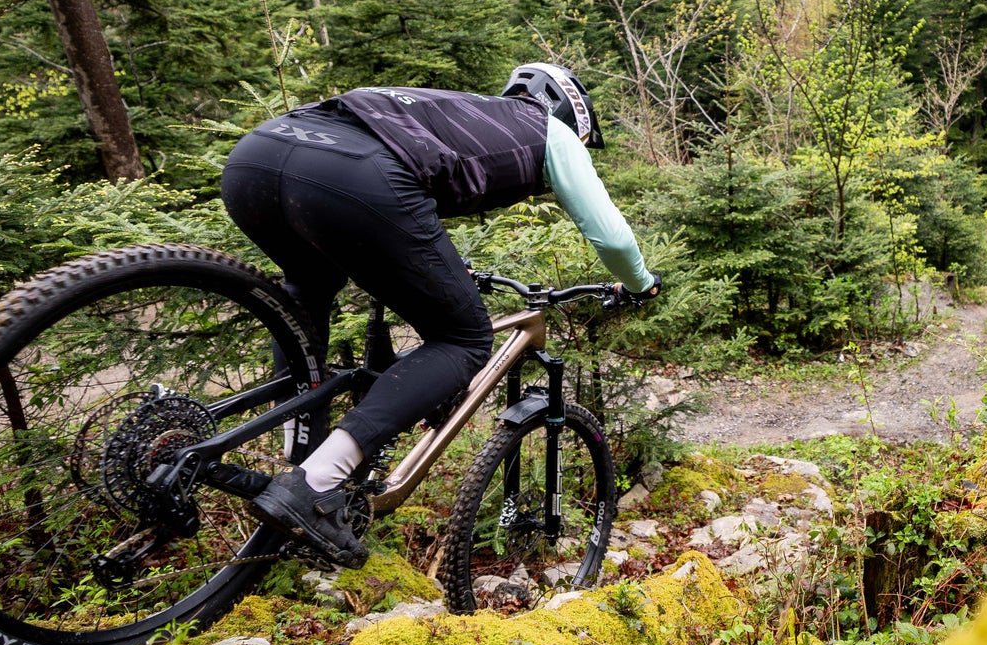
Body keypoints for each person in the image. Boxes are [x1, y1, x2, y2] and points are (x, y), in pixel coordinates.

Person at [219, 63, 658, 566]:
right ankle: (316, 484)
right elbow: (613, 238)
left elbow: (412, 180)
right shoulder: (552, 132)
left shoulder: (457, 110)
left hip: (256, 156)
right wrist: (640, 282)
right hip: (351, 172)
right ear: (570, 113)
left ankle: (300, 456)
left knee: (307, 292)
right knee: (464, 338)